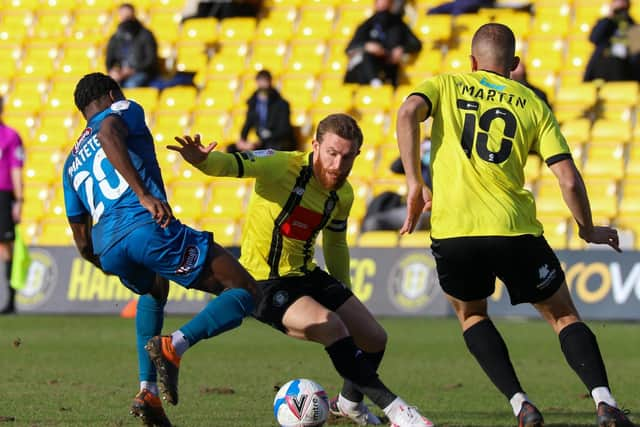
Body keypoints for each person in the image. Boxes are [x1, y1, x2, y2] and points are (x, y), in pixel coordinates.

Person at [396, 23, 635, 427]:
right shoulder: (532, 104)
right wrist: (587, 228)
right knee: (563, 316)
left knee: (472, 316)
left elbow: (406, 113)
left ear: (472, 62)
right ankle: (605, 402)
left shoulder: (446, 84)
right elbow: (569, 179)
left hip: (455, 231)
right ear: (515, 64)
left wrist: (414, 183)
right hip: (514, 230)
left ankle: (520, 404)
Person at [168, 114, 435, 427]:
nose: (338, 164)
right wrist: (202, 160)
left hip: (306, 274)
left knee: (374, 338)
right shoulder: (281, 165)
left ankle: (349, 404)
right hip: (263, 282)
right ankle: (397, 410)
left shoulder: (343, 194)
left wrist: (345, 292)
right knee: (332, 326)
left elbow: (335, 244)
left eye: (347, 157)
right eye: (332, 153)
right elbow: (229, 165)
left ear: (357, 156)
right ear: (316, 146)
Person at [63, 73, 262, 427]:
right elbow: (109, 133)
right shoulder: (123, 108)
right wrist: (142, 194)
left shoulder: (71, 163)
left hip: (109, 246)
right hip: (145, 227)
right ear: (112, 94)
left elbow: (81, 240)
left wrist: (106, 262)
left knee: (154, 290)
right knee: (245, 290)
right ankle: (176, 346)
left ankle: (148, 391)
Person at [344, 0, 422, 87]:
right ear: (375, 3)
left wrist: (402, 49)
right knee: (366, 58)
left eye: (387, 2)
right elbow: (349, 49)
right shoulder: (367, 25)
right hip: (366, 73)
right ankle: (375, 83)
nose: (384, 5)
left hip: (389, 68)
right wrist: (367, 46)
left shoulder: (398, 24)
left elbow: (416, 44)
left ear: (391, 4)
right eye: (381, 2)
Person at [361, 140, 431, 233]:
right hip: (407, 208)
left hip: (428, 210)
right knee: (373, 223)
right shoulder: (417, 166)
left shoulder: (440, 168)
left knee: (417, 221)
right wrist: (415, 153)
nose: (427, 153)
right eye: (425, 150)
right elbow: (395, 167)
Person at [227, 70, 296, 153]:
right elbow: (248, 123)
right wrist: (243, 140)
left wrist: (263, 139)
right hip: (261, 142)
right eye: (261, 81)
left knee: (271, 149)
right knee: (232, 148)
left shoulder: (281, 104)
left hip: (276, 141)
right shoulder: (253, 102)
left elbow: (284, 129)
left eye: (265, 81)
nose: (263, 84)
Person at [0, 96, 24, 315]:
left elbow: (16, 170)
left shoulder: (10, 136)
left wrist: (19, 200)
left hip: (3, 195)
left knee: (5, 246)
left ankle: (10, 300)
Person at [584, 0, 640, 82]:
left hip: (623, 69)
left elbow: (636, 55)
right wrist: (609, 17)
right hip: (602, 66)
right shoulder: (605, 22)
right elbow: (594, 38)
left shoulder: (633, 26)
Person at [106, 3, 159, 88]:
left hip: (141, 72)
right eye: (123, 16)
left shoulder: (145, 35)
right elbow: (110, 59)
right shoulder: (115, 37)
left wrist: (133, 70)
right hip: (121, 72)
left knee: (131, 84)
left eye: (128, 16)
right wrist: (115, 71)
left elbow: (151, 60)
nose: (126, 19)